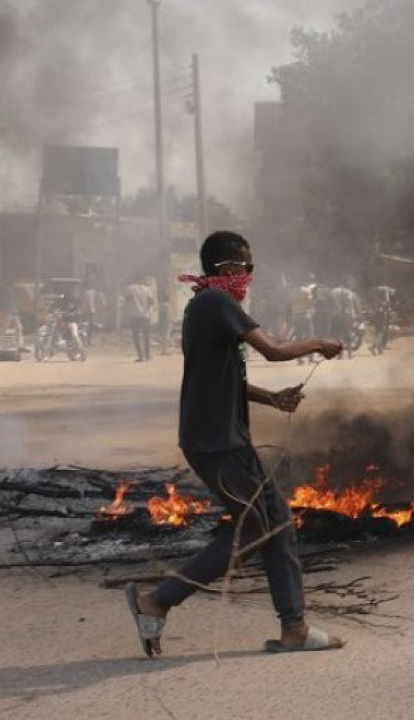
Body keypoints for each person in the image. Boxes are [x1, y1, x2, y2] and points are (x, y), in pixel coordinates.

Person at [124, 230, 347, 657]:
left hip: (218, 437)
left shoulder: (203, 306)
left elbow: (226, 378)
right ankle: (157, 601)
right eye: (247, 268)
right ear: (228, 267)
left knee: (276, 521)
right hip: (218, 441)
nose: (249, 276)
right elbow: (275, 351)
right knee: (254, 531)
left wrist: (272, 398)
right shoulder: (215, 302)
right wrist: (319, 343)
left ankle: (294, 628)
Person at [123, 275, 155, 362]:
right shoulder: (147, 289)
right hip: (146, 315)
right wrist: (146, 308)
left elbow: (127, 299)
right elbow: (152, 302)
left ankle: (141, 356)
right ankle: (147, 355)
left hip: (135, 315)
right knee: (146, 336)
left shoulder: (131, 288)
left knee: (136, 336)